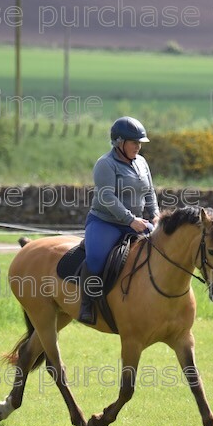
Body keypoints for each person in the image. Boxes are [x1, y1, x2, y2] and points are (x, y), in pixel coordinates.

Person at [79, 116, 159, 324]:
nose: (138, 147)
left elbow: (149, 191)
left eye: (140, 143)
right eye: (134, 142)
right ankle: (86, 304)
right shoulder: (105, 164)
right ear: (119, 142)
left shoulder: (141, 163)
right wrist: (130, 220)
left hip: (137, 222)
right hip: (105, 222)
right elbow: (107, 197)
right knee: (95, 258)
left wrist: (155, 214)